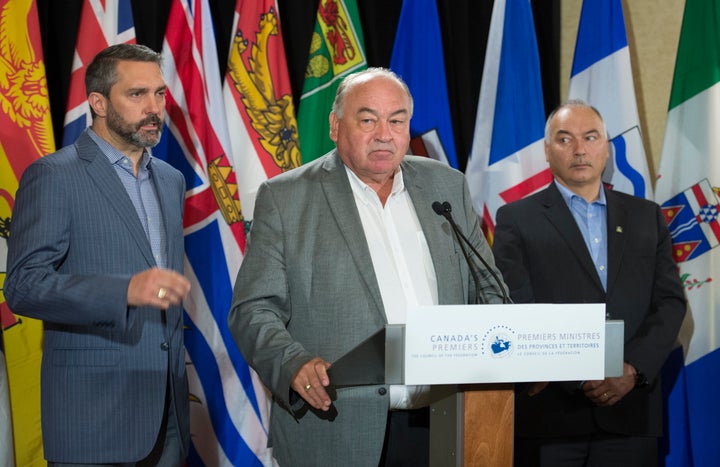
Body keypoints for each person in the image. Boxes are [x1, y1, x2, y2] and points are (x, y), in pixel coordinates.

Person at [227, 67, 508, 467]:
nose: (384, 134)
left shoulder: (446, 187)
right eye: (367, 120)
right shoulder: (286, 198)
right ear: (335, 125)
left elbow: (489, 289)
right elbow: (252, 309)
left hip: (448, 421)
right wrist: (292, 363)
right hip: (338, 426)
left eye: (396, 121)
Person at [5, 44, 191, 466]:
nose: (154, 108)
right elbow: (23, 286)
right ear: (98, 102)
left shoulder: (170, 179)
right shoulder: (53, 176)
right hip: (93, 420)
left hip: (167, 417)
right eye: (137, 94)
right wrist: (123, 290)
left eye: (160, 94)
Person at [492, 99, 687, 467]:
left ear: (607, 147)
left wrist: (632, 369)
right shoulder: (517, 219)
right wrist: (577, 376)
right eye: (564, 139)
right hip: (553, 414)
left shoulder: (647, 217)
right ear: (547, 151)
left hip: (632, 412)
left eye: (590, 137)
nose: (579, 149)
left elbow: (670, 303)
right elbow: (516, 307)